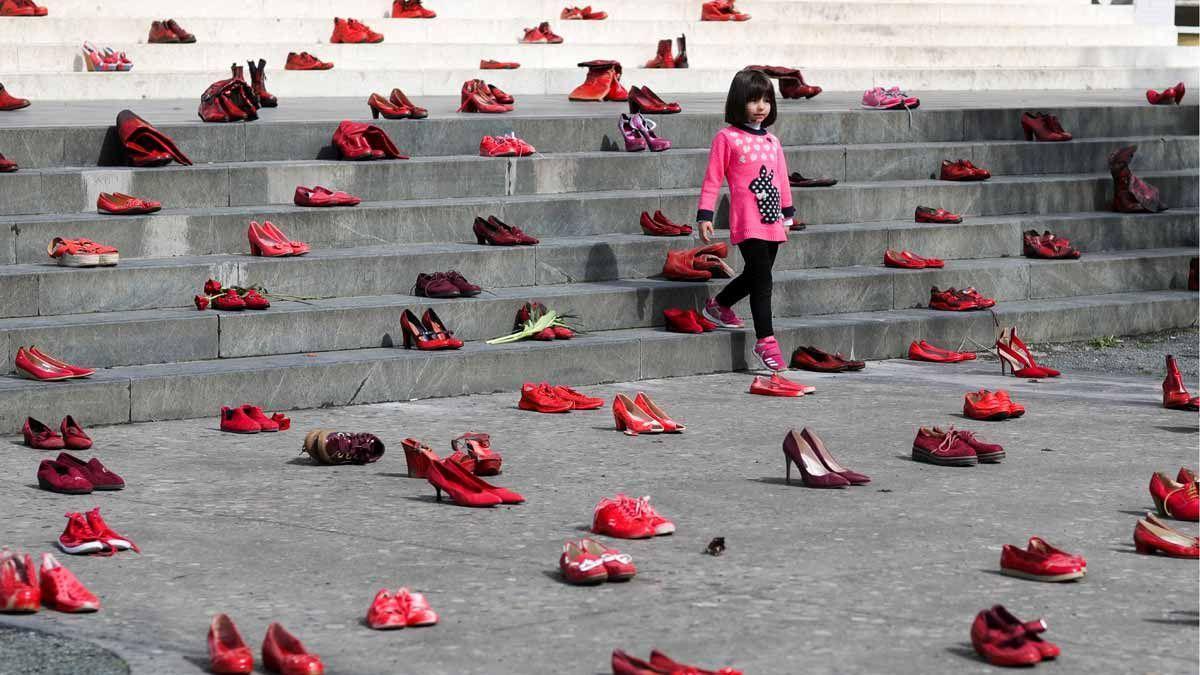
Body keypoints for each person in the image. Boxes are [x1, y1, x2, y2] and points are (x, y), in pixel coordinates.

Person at [696, 69, 794, 371]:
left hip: (772, 219)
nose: (761, 106)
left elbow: (781, 180)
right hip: (747, 221)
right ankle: (766, 341)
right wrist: (705, 214)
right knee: (764, 282)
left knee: (755, 276)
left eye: (766, 100)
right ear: (739, 102)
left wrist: (788, 212)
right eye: (753, 100)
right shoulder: (726, 138)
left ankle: (718, 305)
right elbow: (713, 179)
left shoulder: (772, 142)